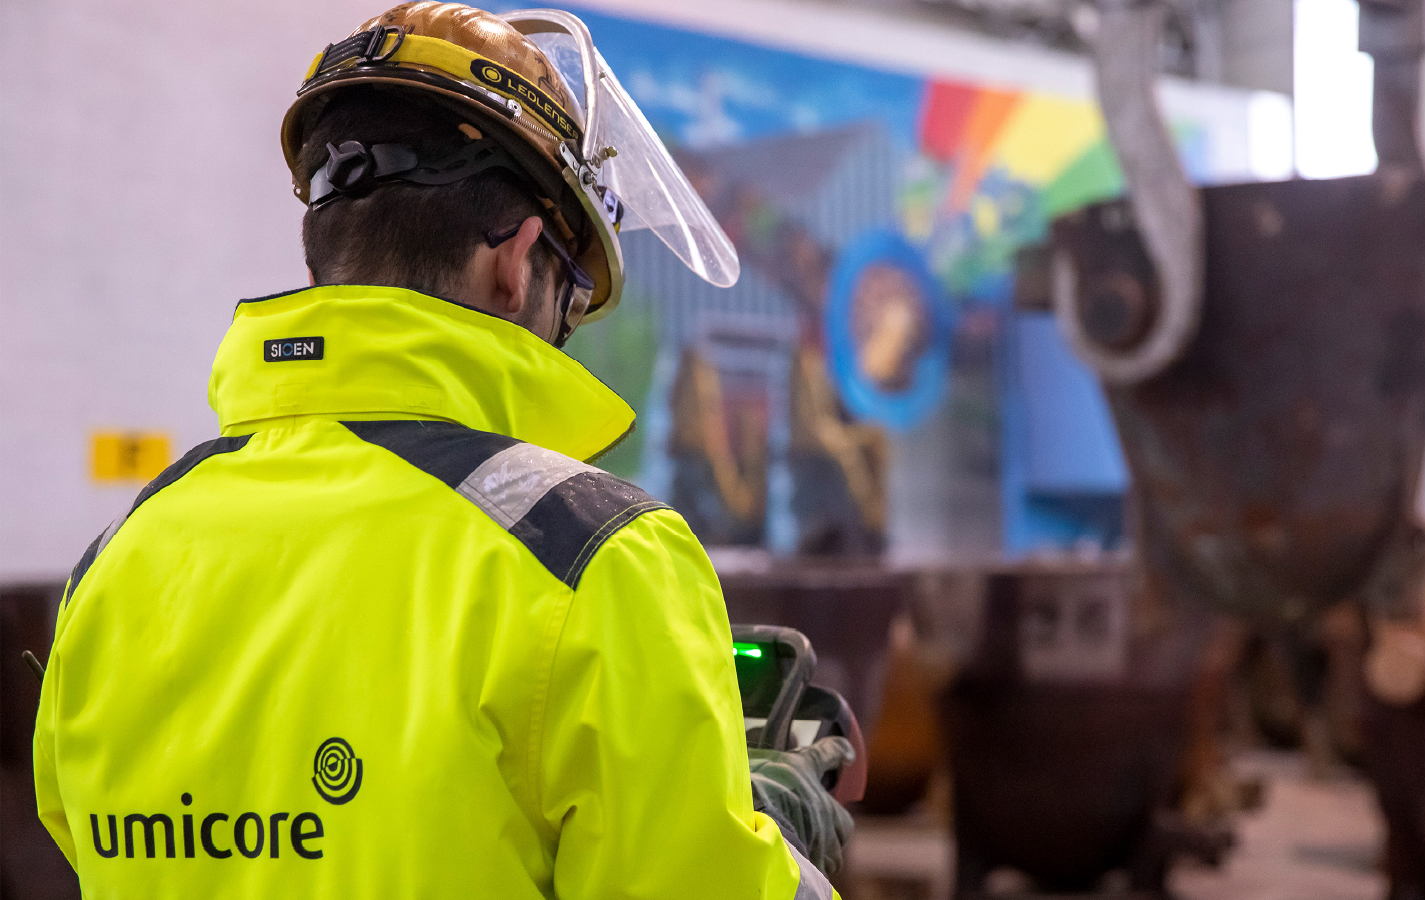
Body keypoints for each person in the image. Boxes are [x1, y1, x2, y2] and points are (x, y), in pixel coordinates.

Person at [32, 3, 853, 897]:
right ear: (518, 260)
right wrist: (772, 827)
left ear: (322, 264)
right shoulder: (590, 556)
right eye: (571, 297)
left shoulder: (115, 565)